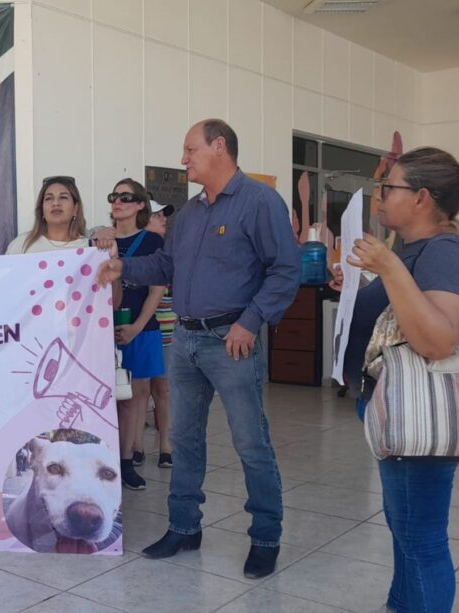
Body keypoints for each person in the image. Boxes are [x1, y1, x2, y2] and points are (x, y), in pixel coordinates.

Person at [96, 119, 300, 578]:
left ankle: (265, 537)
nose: (184, 159)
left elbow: (285, 270)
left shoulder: (259, 202)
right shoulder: (188, 215)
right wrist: (121, 269)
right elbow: (165, 264)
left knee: (251, 442)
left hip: (232, 341)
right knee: (184, 440)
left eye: (190, 150)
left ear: (219, 147)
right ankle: (184, 527)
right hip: (185, 340)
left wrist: (251, 322)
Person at [333, 147, 459, 613]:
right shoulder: (412, 250)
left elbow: (438, 339)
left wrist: (387, 267)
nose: (380, 197)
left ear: (422, 198)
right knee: (405, 526)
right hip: (394, 408)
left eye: (389, 188)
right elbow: (401, 311)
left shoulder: (443, 251)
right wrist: (362, 285)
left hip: (419, 411)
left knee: (421, 538)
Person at [108, 179, 165, 491]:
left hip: (140, 328)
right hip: (104, 330)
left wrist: (137, 326)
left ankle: (126, 461)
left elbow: (157, 288)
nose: (119, 201)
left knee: (135, 398)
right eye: (114, 196)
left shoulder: (153, 242)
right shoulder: (100, 241)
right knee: (109, 397)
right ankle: (108, 459)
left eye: (126, 197)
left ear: (141, 204)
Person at [145, 200, 175, 469]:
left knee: (162, 389)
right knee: (139, 391)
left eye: (163, 215)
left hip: (167, 331)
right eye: (156, 215)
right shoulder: (134, 249)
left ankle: (166, 444)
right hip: (142, 330)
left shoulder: (171, 249)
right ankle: (136, 447)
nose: (162, 219)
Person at [7, 176, 89, 254]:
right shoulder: (20, 245)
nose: (55, 203)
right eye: (49, 198)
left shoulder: (89, 247)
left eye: (63, 197)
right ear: (42, 209)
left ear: (75, 208)